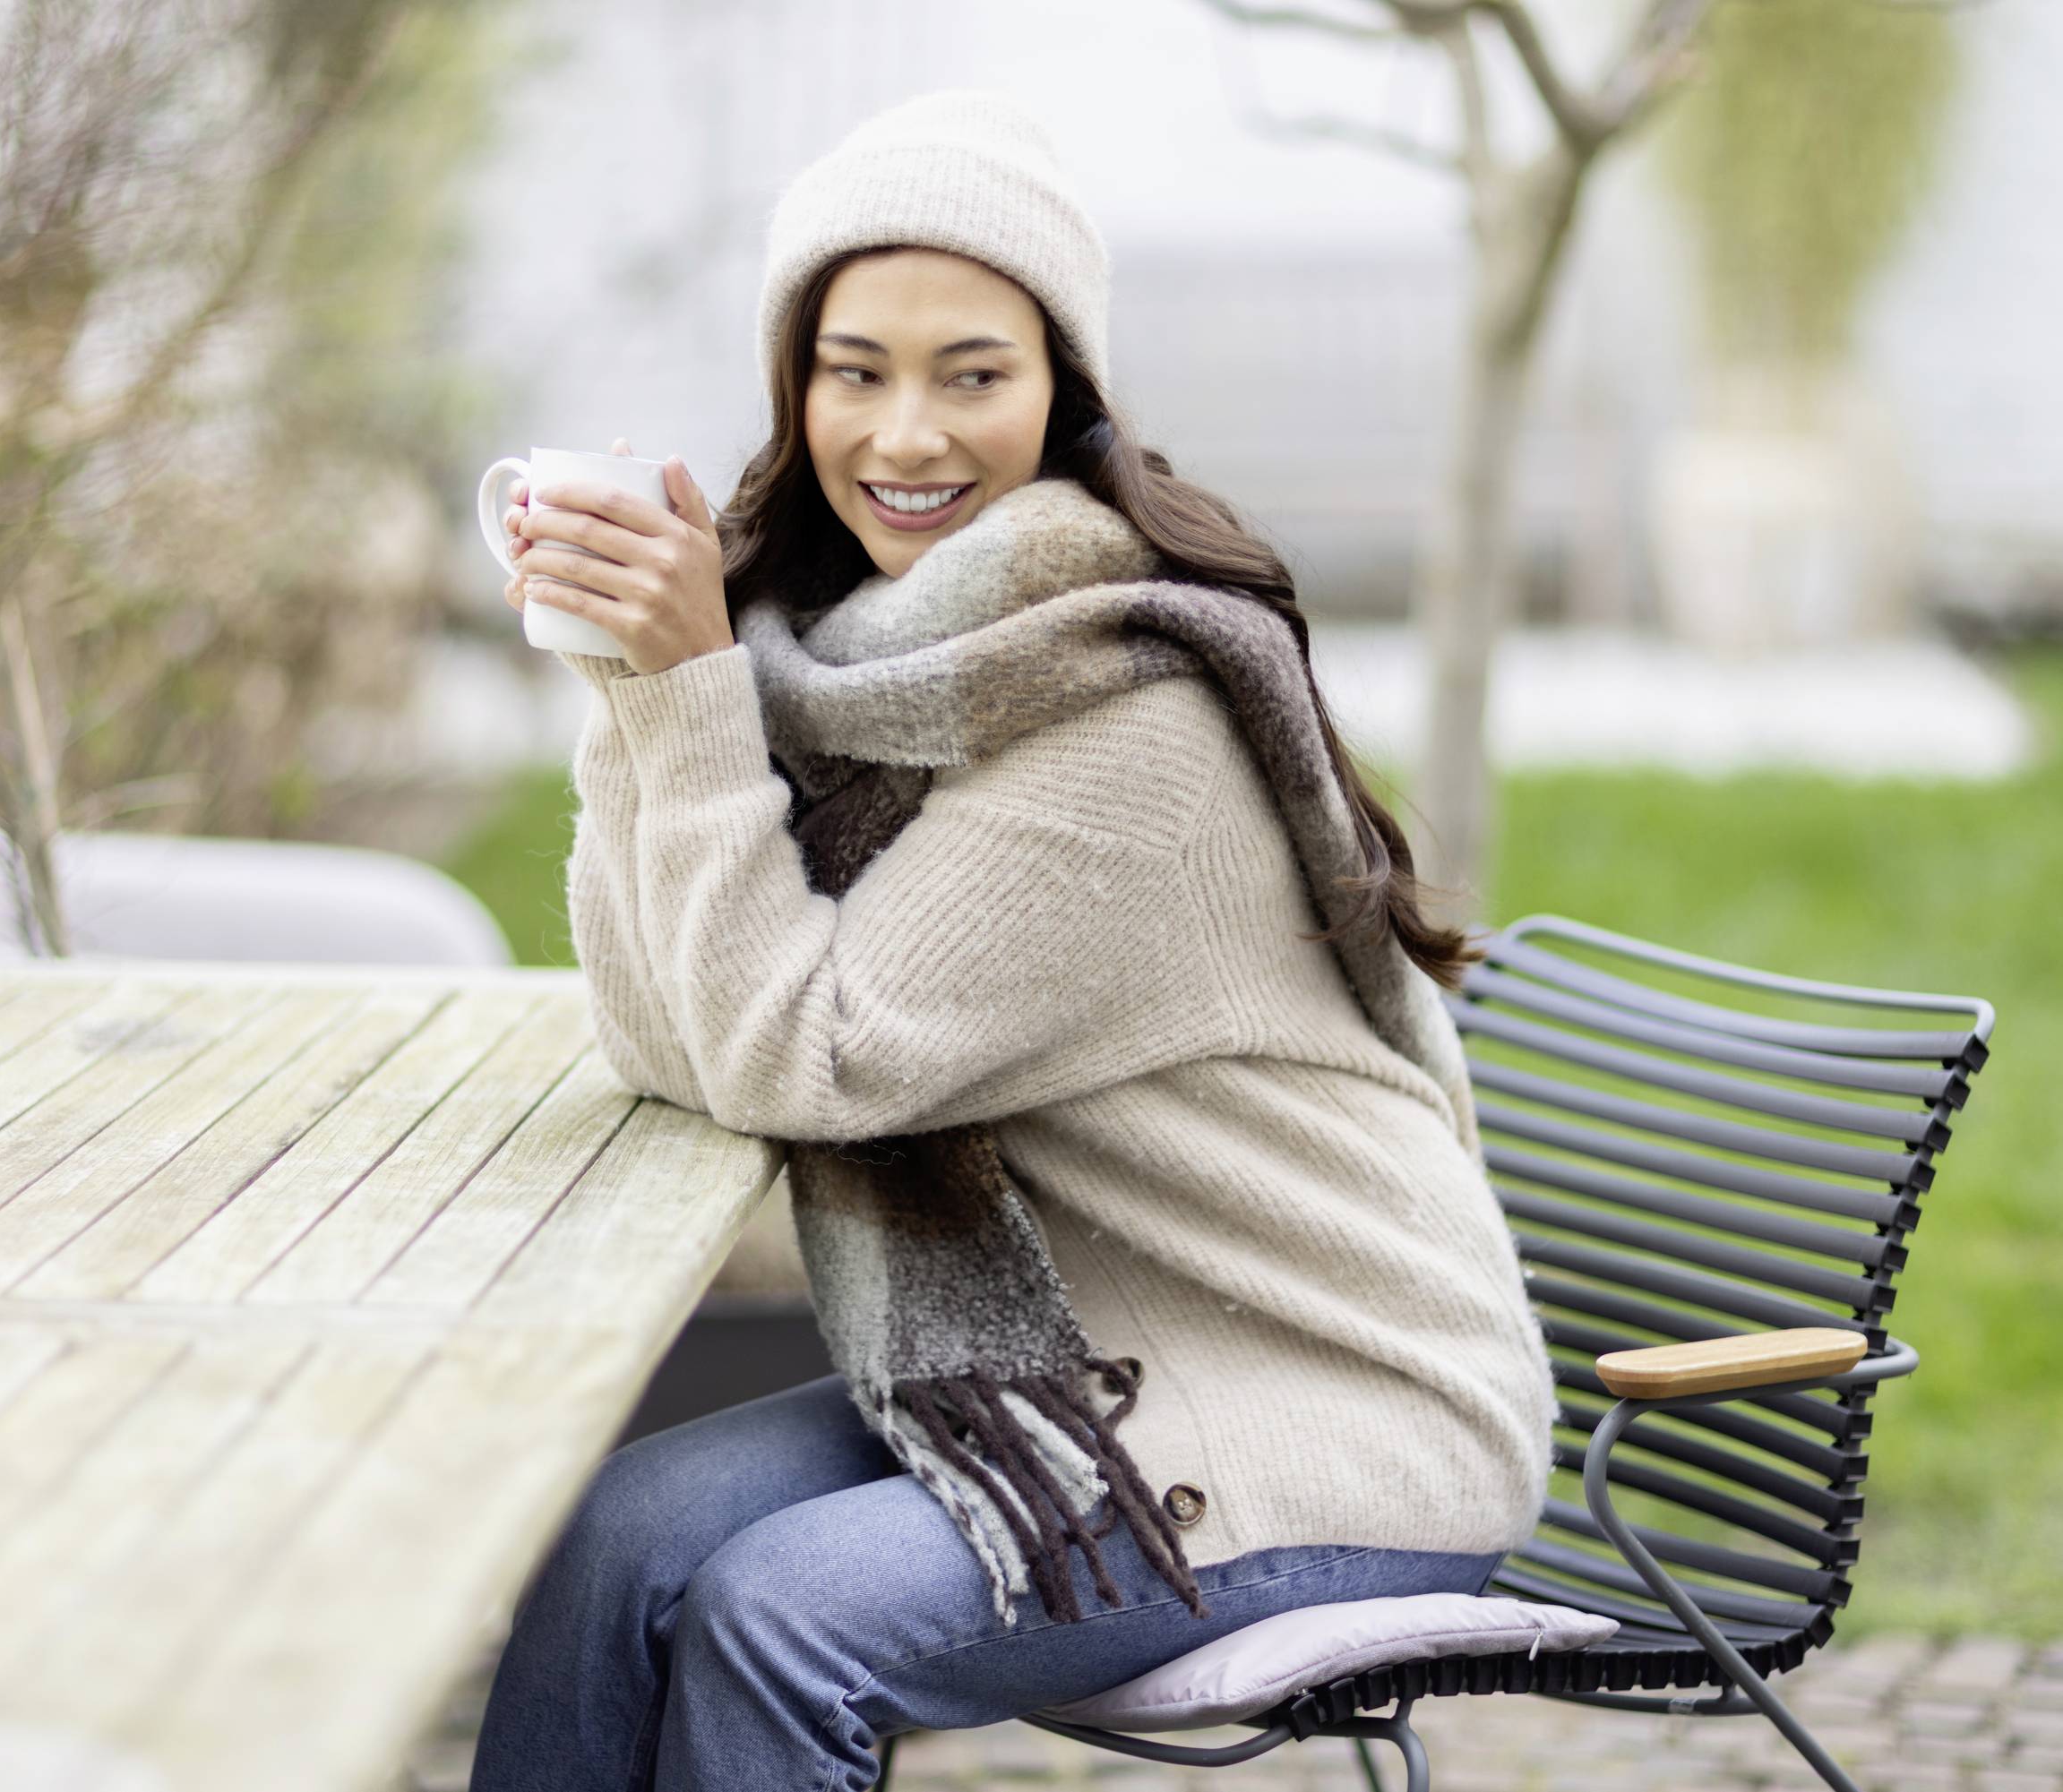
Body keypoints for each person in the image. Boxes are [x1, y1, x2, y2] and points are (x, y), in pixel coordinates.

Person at [468, 89, 1556, 1792]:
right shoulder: (843, 668)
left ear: (1062, 396)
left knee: (776, 1611)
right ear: (794, 388)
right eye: (855, 370)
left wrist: (686, 702)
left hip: (1335, 1414)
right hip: (1080, 1374)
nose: (906, 434)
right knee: (612, 1536)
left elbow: (798, 1058)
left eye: (972, 372)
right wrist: (637, 697)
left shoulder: (1127, 718)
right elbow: (664, 1030)